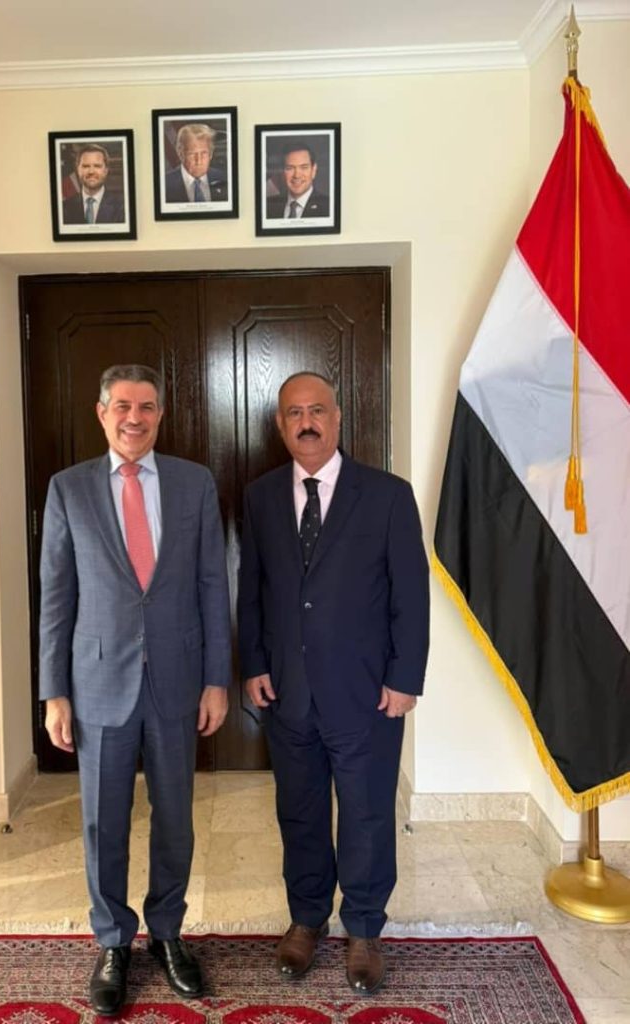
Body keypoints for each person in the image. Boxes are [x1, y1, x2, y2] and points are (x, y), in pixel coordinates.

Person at [40, 364, 231, 1015]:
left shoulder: (193, 483)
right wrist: (54, 692)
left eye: (146, 406)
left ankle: (168, 934)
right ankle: (113, 941)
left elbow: (212, 584)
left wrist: (215, 678)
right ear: (102, 413)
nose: (134, 418)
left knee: (175, 817)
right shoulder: (68, 489)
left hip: (177, 681)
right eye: (122, 406)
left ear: (160, 414)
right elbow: (56, 597)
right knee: (104, 821)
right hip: (97, 684)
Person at [237, 371, 429, 994]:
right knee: (300, 811)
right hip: (288, 691)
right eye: (294, 413)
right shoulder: (261, 496)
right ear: (280, 425)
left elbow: (411, 595)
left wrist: (405, 677)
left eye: (317, 410)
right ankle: (306, 918)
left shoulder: (388, 496)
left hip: (367, 692)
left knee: (367, 812)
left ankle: (365, 928)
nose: (307, 422)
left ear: (338, 418)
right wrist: (254, 662)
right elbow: (252, 588)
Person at [164, 123, 228, 203]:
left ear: (211, 154)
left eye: (204, 153)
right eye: (192, 154)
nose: (198, 161)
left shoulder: (224, 178)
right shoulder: (165, 184)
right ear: (180, 154)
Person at [62, 144, 125, 224]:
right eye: (85, 166)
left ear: (106, 170)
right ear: (78, 169)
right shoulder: (65, 208)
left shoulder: (123, 207)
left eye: (97, 166)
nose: (91, 171)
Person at [265, 144, 329, 219]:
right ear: (283, 172)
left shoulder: (328, 206)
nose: (296, 175)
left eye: (304, 167)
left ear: (313, 170)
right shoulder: (268, 205)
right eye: (290, 168)